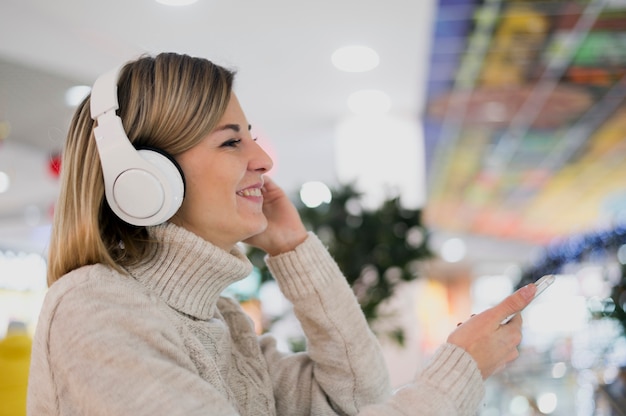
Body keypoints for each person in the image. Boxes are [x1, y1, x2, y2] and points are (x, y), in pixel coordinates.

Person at [27, 52, 536, 416]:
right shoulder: (95, 309)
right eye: (231, 142)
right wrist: (459, 372)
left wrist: (294, 250)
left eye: (251, 137)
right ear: (144, 177)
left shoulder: (221, 321)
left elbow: (358, 399)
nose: (263, 160)